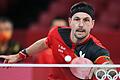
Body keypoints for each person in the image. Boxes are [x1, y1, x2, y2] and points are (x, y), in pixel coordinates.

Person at [0, 2, 113, 80]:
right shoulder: (57, 33)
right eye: (77, 19)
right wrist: (20, 55)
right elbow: (44, 43)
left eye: (86, 20)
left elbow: (106, 63)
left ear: (92, 24)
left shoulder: (96, 48)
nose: (81, 25)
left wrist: (106, 69)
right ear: (70, 21)